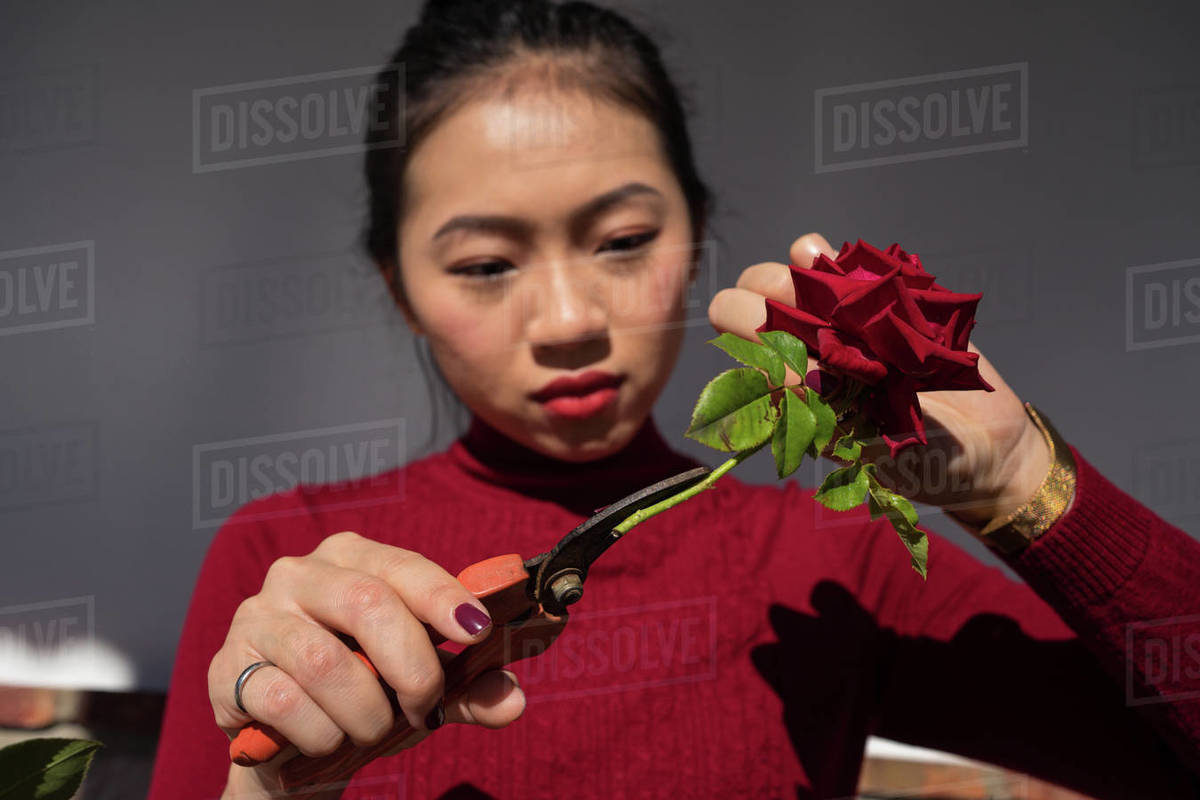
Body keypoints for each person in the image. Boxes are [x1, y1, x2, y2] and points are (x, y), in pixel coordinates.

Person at [147, 1, 1200, 798]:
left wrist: (1029, 484)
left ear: (696, 233)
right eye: (482, 263)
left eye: (622, 241)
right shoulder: (292, 559)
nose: (566, 316)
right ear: (399, 287)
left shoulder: (823, 561)